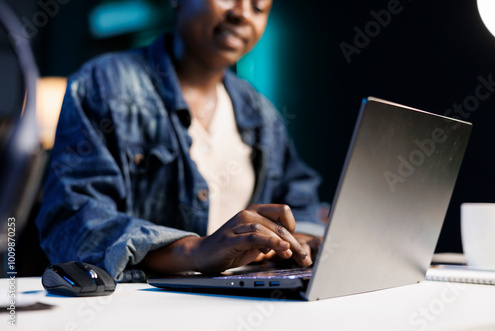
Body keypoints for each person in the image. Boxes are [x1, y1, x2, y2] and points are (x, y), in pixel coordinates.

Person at [36, 0, 325, 283]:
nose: (242, 14)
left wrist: (299, 239)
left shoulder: (260, 112)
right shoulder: (103, 85)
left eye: (258, 8)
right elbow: (72, 222)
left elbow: (300, 199)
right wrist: (196, 251)